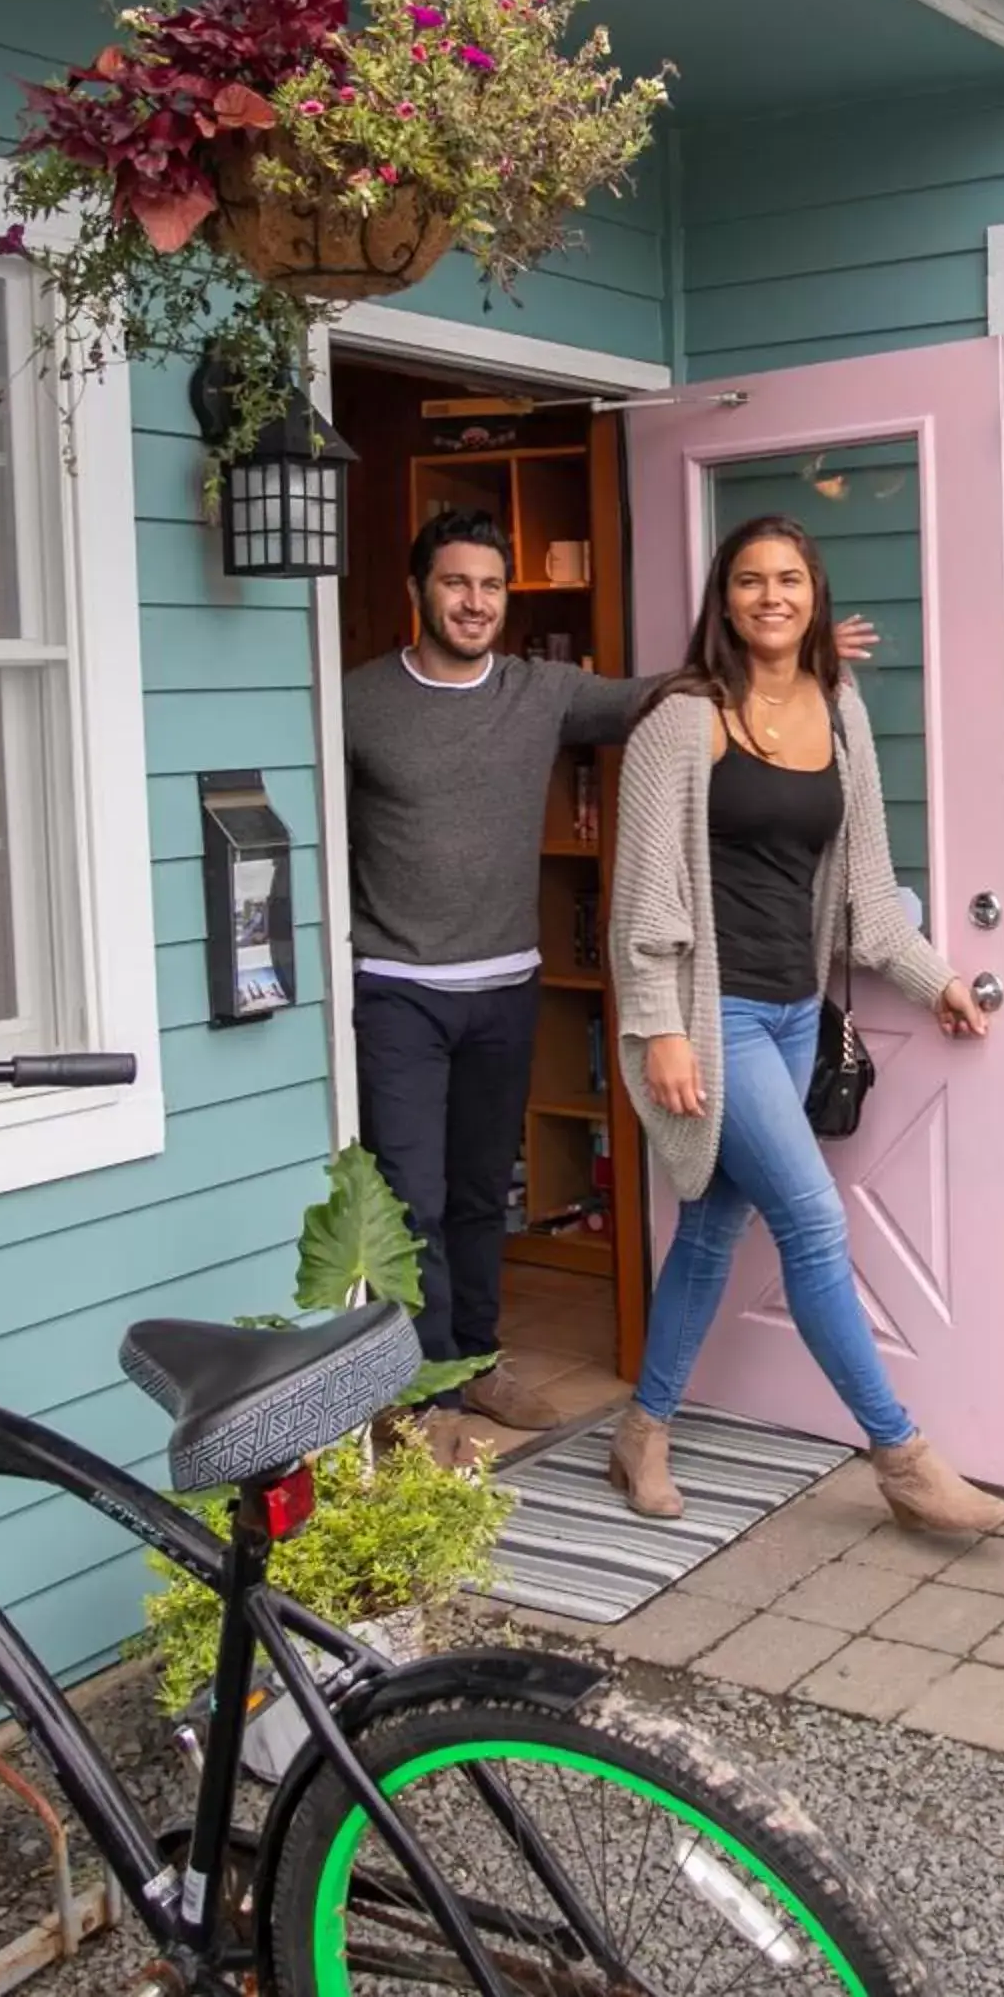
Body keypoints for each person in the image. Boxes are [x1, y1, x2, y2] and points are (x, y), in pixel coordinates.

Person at [343, 508, 873, 1466]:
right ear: (417, 589)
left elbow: (667, 698)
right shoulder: (356, 702)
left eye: (491, 587)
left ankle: (474, 1357)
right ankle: (419, 1400)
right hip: (397, 985)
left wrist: (789, 649)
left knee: (475, 1195)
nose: (474, 602)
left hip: (506, 982)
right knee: (408, 1199)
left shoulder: (541, 690)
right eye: (456, 583)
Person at [603, 513, 1004, 1533]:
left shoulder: (840, 707)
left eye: (789, 578)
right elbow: (643, 895)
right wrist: (661, 1029)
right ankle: (902, 1456)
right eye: (749, 580)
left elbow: (867, 882)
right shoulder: (681, 723)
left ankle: (643, 1428)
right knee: (816, 1223)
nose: (771, 596)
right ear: (722, 600)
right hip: (713, 1014)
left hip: (792, 1013)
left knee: (711, 1225)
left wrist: (935, 978)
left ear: (815, 593)